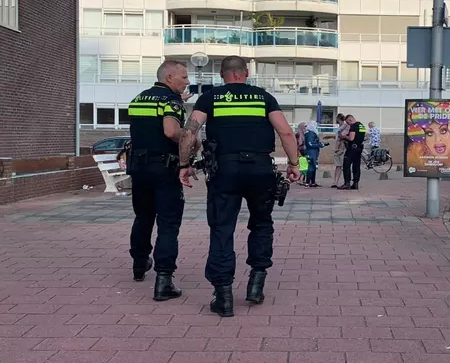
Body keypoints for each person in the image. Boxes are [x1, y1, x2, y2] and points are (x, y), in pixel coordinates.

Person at [178, 56, 301, 318]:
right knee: (261, 223)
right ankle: (256, 283)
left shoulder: (210, 98)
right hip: (259, 169)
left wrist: (184, 164)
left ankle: (223, 295)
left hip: (224, 170)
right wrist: (294, 163)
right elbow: (286, 133)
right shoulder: (263, 97)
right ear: (245, 73)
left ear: (223, 75)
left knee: (222, 228)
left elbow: (190, 132)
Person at [127, 60, 195, 301]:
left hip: (139, 168)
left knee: (143, 216)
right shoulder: (170, 100)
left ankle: (139, 263)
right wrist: (191, 140)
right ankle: (164, 279)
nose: (187, 81)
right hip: (164, 168)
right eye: (184, 77)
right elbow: (170, 131)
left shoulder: (138, 99)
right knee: (168, 223)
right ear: (169, 78)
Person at [339, 114, 366, 190]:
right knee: (356, 166)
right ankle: (355, 183)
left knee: (346, 165)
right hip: (359, 148)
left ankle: (347, 183)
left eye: (348, 122)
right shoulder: (361, 126)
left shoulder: (353, 126)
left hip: (352, 148)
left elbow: (351, 138)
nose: (348, 124)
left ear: (350, 120)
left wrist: (344, 137)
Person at [326, 113, 349, 188]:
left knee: (342, 165)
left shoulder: (345, 126)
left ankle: (345, 182)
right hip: (337, 148)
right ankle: (335, 182)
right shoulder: (341, 127)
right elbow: (338, 137)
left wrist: (340, 148)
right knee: (338, 166)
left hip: (341, 148)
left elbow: (342, 137)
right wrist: (331, 136)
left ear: (339, 119)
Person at [304, 121, 327, 188]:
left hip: (314, 152)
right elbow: (310, 144)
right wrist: (319, 145)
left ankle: (313, 182)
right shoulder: (310, 134)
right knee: (311, 167)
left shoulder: (312, 133)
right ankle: (308, 182)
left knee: (313, 167)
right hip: (311, 152)